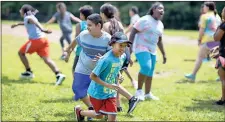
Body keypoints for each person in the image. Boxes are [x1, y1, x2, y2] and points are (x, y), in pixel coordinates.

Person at [64, 14, 139, 120]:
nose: (87, 27)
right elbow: (74, 42)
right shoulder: (84, 34)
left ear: (98, 25)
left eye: (89, 25)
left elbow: (113, 59)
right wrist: (68, 51)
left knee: (102, 93)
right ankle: (92, 109)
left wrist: (117, 73)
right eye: (86, 25)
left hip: (101, 71)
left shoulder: (107, 39)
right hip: (83, 67)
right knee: (77, 88)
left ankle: (96, 111)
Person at [74, 32, 133, 122]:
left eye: (125, 46)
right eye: (120, 45)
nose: (123, 48)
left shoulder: (122, 56)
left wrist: (119, 75)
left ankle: (82, 113)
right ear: (112, 44)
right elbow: (92, 76)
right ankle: (80, 112)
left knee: (112, 116)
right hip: (97, 93)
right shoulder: (105, 60)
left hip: (110, 93)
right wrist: (108, 85)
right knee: (99, 115)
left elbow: (116, 68)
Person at [11, 4, 65, 85]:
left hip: (36, 41)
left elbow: (33, 22)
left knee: (20, 53)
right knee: (47, 59)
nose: (20, 11)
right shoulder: (30, 17)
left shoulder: (28, 17)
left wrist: (43, 29)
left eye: (21, 9)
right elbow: (28, 22)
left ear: (24, 11)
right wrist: (17, 24)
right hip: (44, 40)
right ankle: (58, 74)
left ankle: (28, 72)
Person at [100, 3, 138, 112]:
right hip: (123, 55)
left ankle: (131, 98)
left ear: (103, 14)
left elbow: (106, 45)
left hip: (113, 56)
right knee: (115, 81)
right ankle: (118, 106)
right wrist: (128, 56)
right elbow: (124, 41)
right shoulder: (119, 24)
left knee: (112, 82)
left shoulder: (106, 26)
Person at [129, 2, 167, 101]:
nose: (162, 11)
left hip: (152, 50)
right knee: (146, 67)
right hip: (141, 47)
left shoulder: (160, 24)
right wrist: (130, 45)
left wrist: (164, 54)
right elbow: (133, 30)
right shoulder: (145, 19)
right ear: (153, 9)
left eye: (163, 9)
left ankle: (147, 93)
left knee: (150, 72)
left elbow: (159, 40)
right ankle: (139, 91)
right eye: (159, 8)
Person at [185, 2, 221, 81]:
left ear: (207, 7)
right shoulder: (217, 16)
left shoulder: (204, 16)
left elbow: (202, 30)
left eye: (204, 6)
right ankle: (221, 75)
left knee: (200, 58)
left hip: (207, 40)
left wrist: (199, 39)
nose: (203, 8)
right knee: (218, 58)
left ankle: (193, 75)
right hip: (217, 40)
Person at [72, 5, 93, 76]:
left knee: (75, 69)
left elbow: (76, 39)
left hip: (80, 52)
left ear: (83, 15)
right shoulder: (93, 25)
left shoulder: (79, 25)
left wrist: (70, 50)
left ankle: (77, 85)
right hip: (90, 53)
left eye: (80, 14)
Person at [213, 6, 225, 105]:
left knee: (223, 77)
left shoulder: (223, 25)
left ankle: (223, 99)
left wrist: (219, 26)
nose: (222, 11)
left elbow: (216, 38)